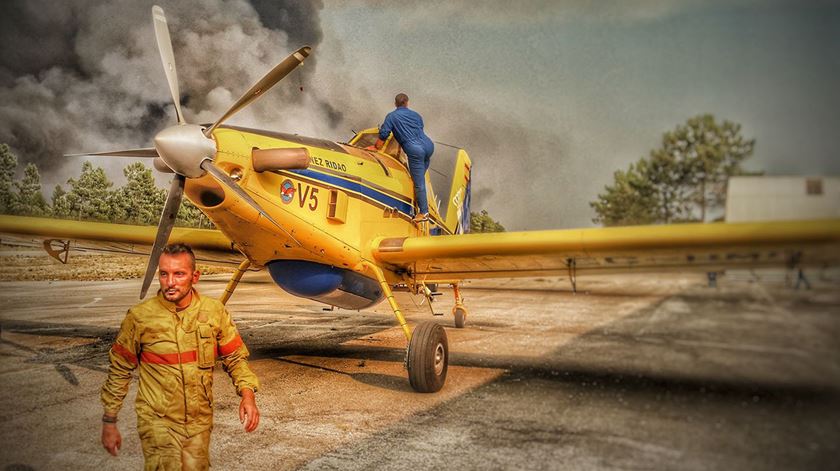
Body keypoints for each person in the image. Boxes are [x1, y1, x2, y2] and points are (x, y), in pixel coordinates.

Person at [100, 243, 260, 470]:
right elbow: (119, 370)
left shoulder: (214, 313)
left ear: (195, 276)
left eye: (179, 274)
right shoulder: (140, 318)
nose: (170, 282)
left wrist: (247, 396)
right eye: (164, 274)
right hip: (158, 422)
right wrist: (109, 420)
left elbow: (234, 358)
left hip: (199, 423)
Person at [367, 93, 435, 222]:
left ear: (395, 103)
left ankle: (424, 213)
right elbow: (418, 130)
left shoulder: (391, 117)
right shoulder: (417, 116)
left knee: (418, 183)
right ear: (407, 102)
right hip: (429, 146)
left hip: (415, 151)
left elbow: (384, 134)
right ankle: (417, 202)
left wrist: (376, 147)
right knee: (417, 181)